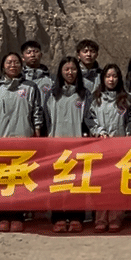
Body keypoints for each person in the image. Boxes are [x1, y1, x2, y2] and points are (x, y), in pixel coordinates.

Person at [0, 52, 45, 232]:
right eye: (9, 62)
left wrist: (37, 131)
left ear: (21, 66)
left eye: (16, 62)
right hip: (0, 143)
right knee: (2, 181)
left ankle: (17, 216)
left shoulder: (30, 87)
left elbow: (37, 112)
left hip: (24, 142)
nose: (12, 65)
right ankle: (2, 216)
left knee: (20, 180)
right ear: (3, 66)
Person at [46, 57, 94, 233]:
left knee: (76, 182)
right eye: (66, 69)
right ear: (60, 72)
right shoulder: (52, 94)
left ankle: (76, 217)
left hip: (78, 145)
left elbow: (89, 118)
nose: (70, 72)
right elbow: (46, 118)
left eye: (73, 69)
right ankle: (58, 217)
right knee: (57, 182)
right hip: (56, 145)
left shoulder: (85, 94)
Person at [89, 64, 131, 232]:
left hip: (120, 147)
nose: (111, 79)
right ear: (103, 79)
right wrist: (99, 131)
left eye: (114, 76)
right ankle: (100, 218)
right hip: (99, 147)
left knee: (117, 183)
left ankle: (115, 217)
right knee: (100, 184)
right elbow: (89, 118)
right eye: (108, 76)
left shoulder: (126, 99)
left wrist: (128, 136)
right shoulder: (95, 98)